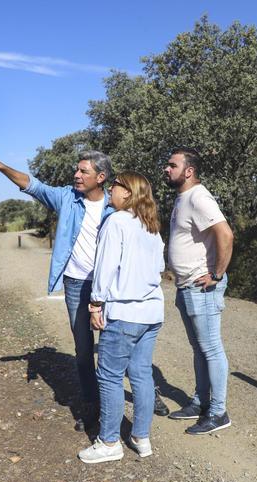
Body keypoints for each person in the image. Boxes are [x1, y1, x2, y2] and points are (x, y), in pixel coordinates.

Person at [0, 150, 169, 431]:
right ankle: (93, 404)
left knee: (118, 344)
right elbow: (33, 185)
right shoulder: (67, 197)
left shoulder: (116, 205)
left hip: (112, 288)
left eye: (83, 172)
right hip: (77, 283)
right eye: (77, 170)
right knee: (83, 349)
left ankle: (146, 392)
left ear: (101, 177)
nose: (76, 176)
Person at [78, 171, 165, 463]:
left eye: (114, 185)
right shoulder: (151, 226)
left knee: (110, 376)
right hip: (151, 313)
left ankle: (109, 442)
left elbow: (104, 267)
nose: (110, 189)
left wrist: (95, 303)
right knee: (142, 374)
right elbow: (159, 268)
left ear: (127, 193)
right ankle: (141, 436)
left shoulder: (115, 222)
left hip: (125, 312)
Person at [163, 147, 235, 435]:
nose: (166, 169)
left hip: (201, 286)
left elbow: (225, 233)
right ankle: (200, 402)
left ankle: (218, 412)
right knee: (199, 348)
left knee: (211, 348)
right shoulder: (183, 198)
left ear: (188, 171)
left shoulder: (198, 196)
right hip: (186, 285)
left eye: (172, 165)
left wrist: (216, 274)